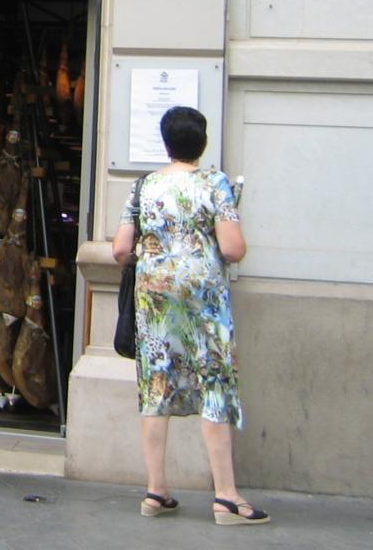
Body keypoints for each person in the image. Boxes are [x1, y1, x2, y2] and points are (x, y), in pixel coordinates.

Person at [111, 105, 269, 525]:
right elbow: (233, 248)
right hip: (204, 303)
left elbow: (121, 249)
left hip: (155, 301)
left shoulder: (143, 186)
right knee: (213, 383)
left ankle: (156, 490)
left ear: (166, 143)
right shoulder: (215, 184)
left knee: (156, 386)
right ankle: (226, 497)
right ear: (202, 143)